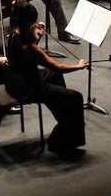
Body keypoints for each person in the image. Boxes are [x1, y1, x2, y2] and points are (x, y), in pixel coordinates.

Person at [6, 21, 88, 159]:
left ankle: (64, 120)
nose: (37, 27)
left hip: (15, 80)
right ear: (28, 26)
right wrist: (79, 66)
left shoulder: (14, 33)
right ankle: (58, 141)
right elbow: (58, 66)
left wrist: (36, 36)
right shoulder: (29, 48)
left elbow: (31, 57)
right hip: (29, 88)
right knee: (75, 97)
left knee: (55, 76)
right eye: (34, 25)